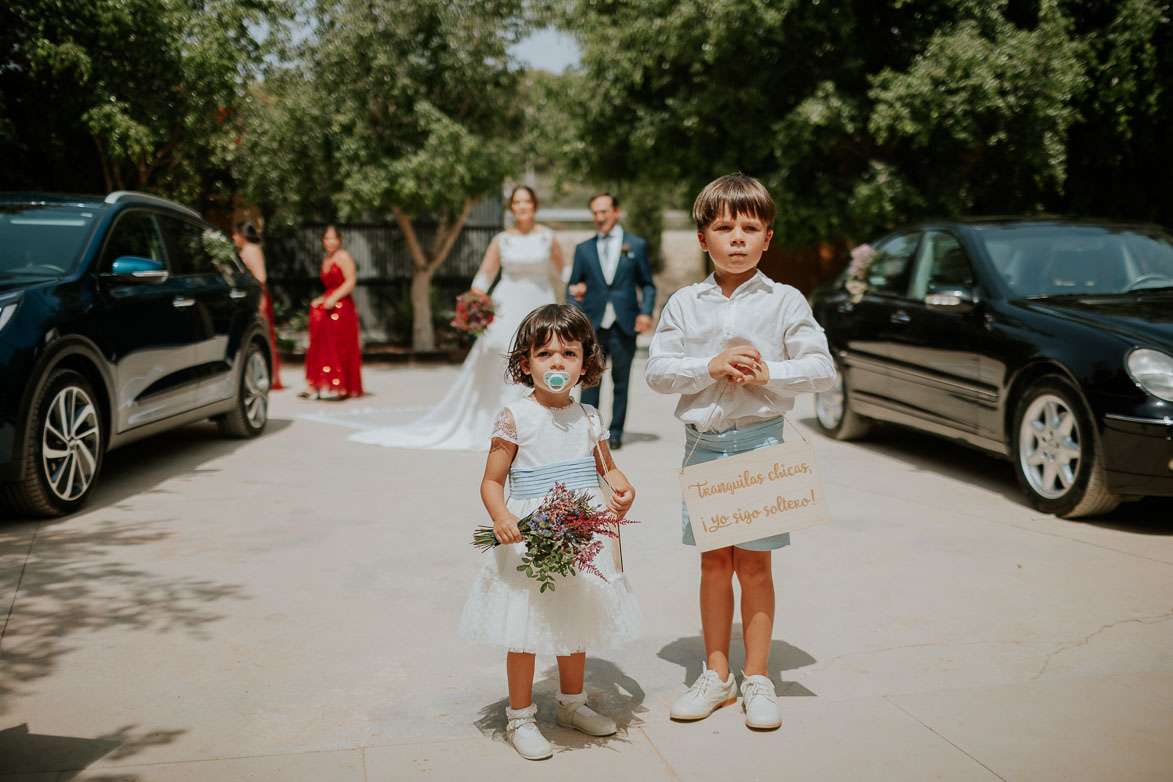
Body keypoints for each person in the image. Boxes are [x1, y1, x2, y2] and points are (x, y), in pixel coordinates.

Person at [644, 174, 834, 730]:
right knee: (712, 563)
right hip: (703, 446)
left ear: (768, 238)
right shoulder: (684, 303)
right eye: (723, 227)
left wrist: (770, 371)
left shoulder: (785, 300)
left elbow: (821, 368)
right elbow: (657, 371)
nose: (737, 239)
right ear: (703, 238)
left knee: (754, 565)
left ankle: (757, 678)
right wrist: (709, 366)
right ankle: (717, 676)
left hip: (761, 443)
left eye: (750, 228)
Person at [458, 304, 642, 760]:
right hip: (529, 533)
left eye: (568, 353)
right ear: (526, 363)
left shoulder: (590, 418)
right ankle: (520, 715)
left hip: (580, 531)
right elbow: (491, 479)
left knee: (573, 616)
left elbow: (608, 470)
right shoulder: (516, 418)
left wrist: (621, 487)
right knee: (526, 623)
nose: (556, 363)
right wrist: (501, 515)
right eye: (545, 354)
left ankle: (571, 703)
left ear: (586, 363)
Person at [350, 186, 565, 449]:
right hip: (507, 304)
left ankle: (540, 424)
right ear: (511, 208)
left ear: (534, 205)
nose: (522, 207)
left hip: (539, 302)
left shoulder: (547, 237)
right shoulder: (501, 240)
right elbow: (485, 274)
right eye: (517, 202)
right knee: (501, 358)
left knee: (542, 357)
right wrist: (474, 302)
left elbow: (564, 269)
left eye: (526, 202)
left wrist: (578, 287)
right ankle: (501, 425)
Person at [567, 193, 656, 450]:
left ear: (616, 212)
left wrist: (645, 312)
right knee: (590, 380)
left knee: (621, 380)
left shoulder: (636, 246)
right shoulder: (583, 249)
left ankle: (615, 431)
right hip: (592, 326)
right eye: (595, 213)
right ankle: (589, 429)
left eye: (604, 212)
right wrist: (576, 317)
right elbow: (572, 288)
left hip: (625, 323)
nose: (600, 218)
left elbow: (647, 285)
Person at [300, 225, 363, 399]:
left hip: (342, 307)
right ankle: (316, 384)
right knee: (321, 345)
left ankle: (342, 385)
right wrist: (322, 299)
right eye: (327, 238)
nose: (330, 242)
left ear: (339, 240)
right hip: (327, 304)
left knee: (339, 345)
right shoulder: (325, 260)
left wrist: (334, 298)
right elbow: (329, 287)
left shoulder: (343, 256)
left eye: (333, 238)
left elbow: (350, 281)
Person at [232, 221, 283, 390]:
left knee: (261, 334)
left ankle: (268, 376)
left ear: (242, 235)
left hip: (258, 296)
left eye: (235, 233)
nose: (233, 237)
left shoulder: (250, 250)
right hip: (256, 295)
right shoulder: (250, 249)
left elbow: (260, 277)